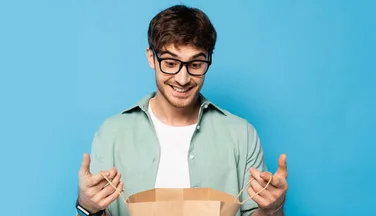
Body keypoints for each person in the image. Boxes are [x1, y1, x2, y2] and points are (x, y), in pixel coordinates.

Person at [75, 4, 288, 216]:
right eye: (170, 63)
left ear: (209, 61)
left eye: (195, 64)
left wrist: (271, 208)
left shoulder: (242, 135)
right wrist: (88, 207)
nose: (182, 79)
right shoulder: (112, 133)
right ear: (151, 58)